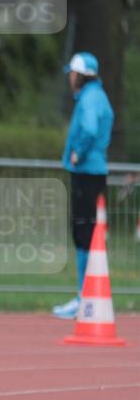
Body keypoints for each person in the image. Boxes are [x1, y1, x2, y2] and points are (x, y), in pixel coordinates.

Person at [53, 51, 113, 319]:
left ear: (80, 75)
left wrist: (78, 150)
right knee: (88, 232)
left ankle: (83, 297)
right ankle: (87, 295)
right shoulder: (99, 95)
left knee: (83, 233)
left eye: (72, 73)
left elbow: (89, 129)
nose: (70, 78)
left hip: (86, 171)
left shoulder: (89, 98)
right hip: (95, 171)